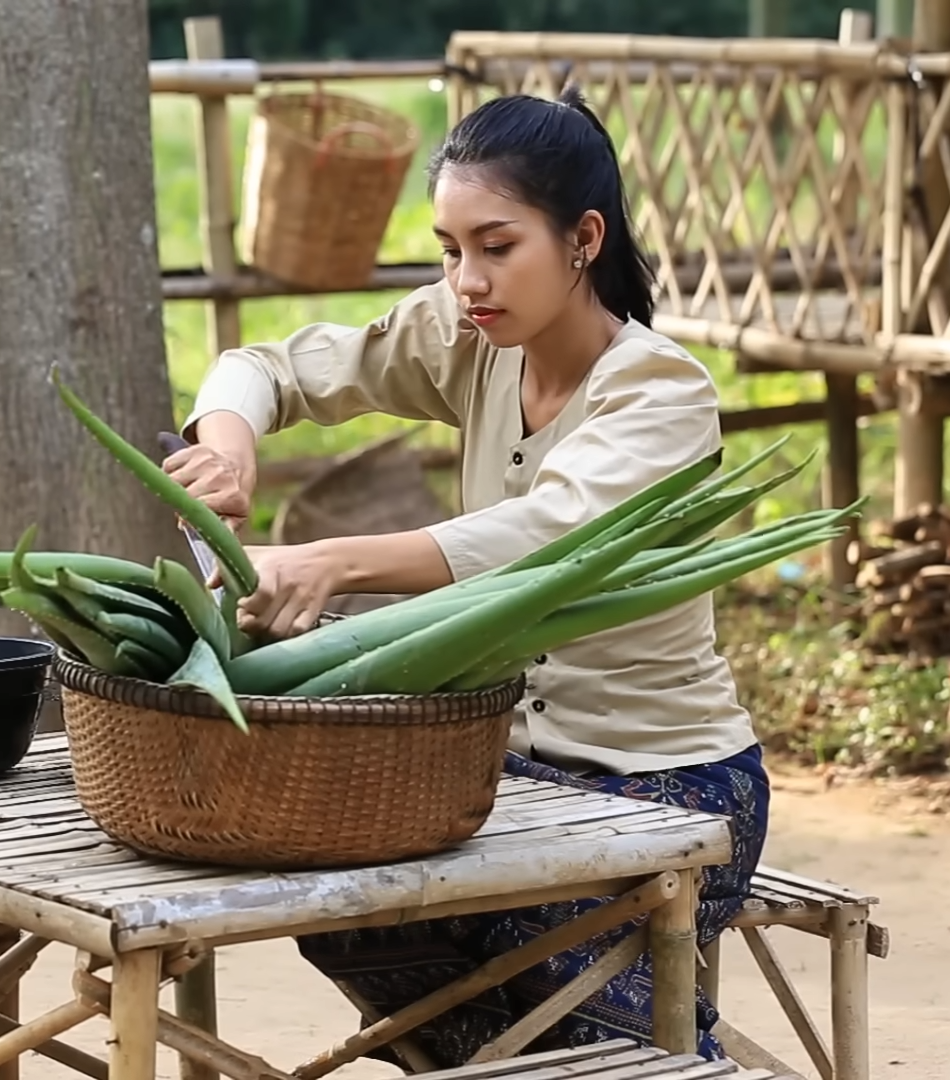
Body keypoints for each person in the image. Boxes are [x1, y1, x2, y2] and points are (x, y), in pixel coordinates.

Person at [162, 86, 769, 1066]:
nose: (467, 280)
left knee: (546, 952)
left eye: (496, 246)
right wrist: (228, 448)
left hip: (667, 790)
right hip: (499, 777)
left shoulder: (661, 391)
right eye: (449, 251)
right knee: (347, 911)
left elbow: (549, 541)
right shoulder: (471, 338)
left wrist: (333, 561)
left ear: (582, 239)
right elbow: (264, 366)